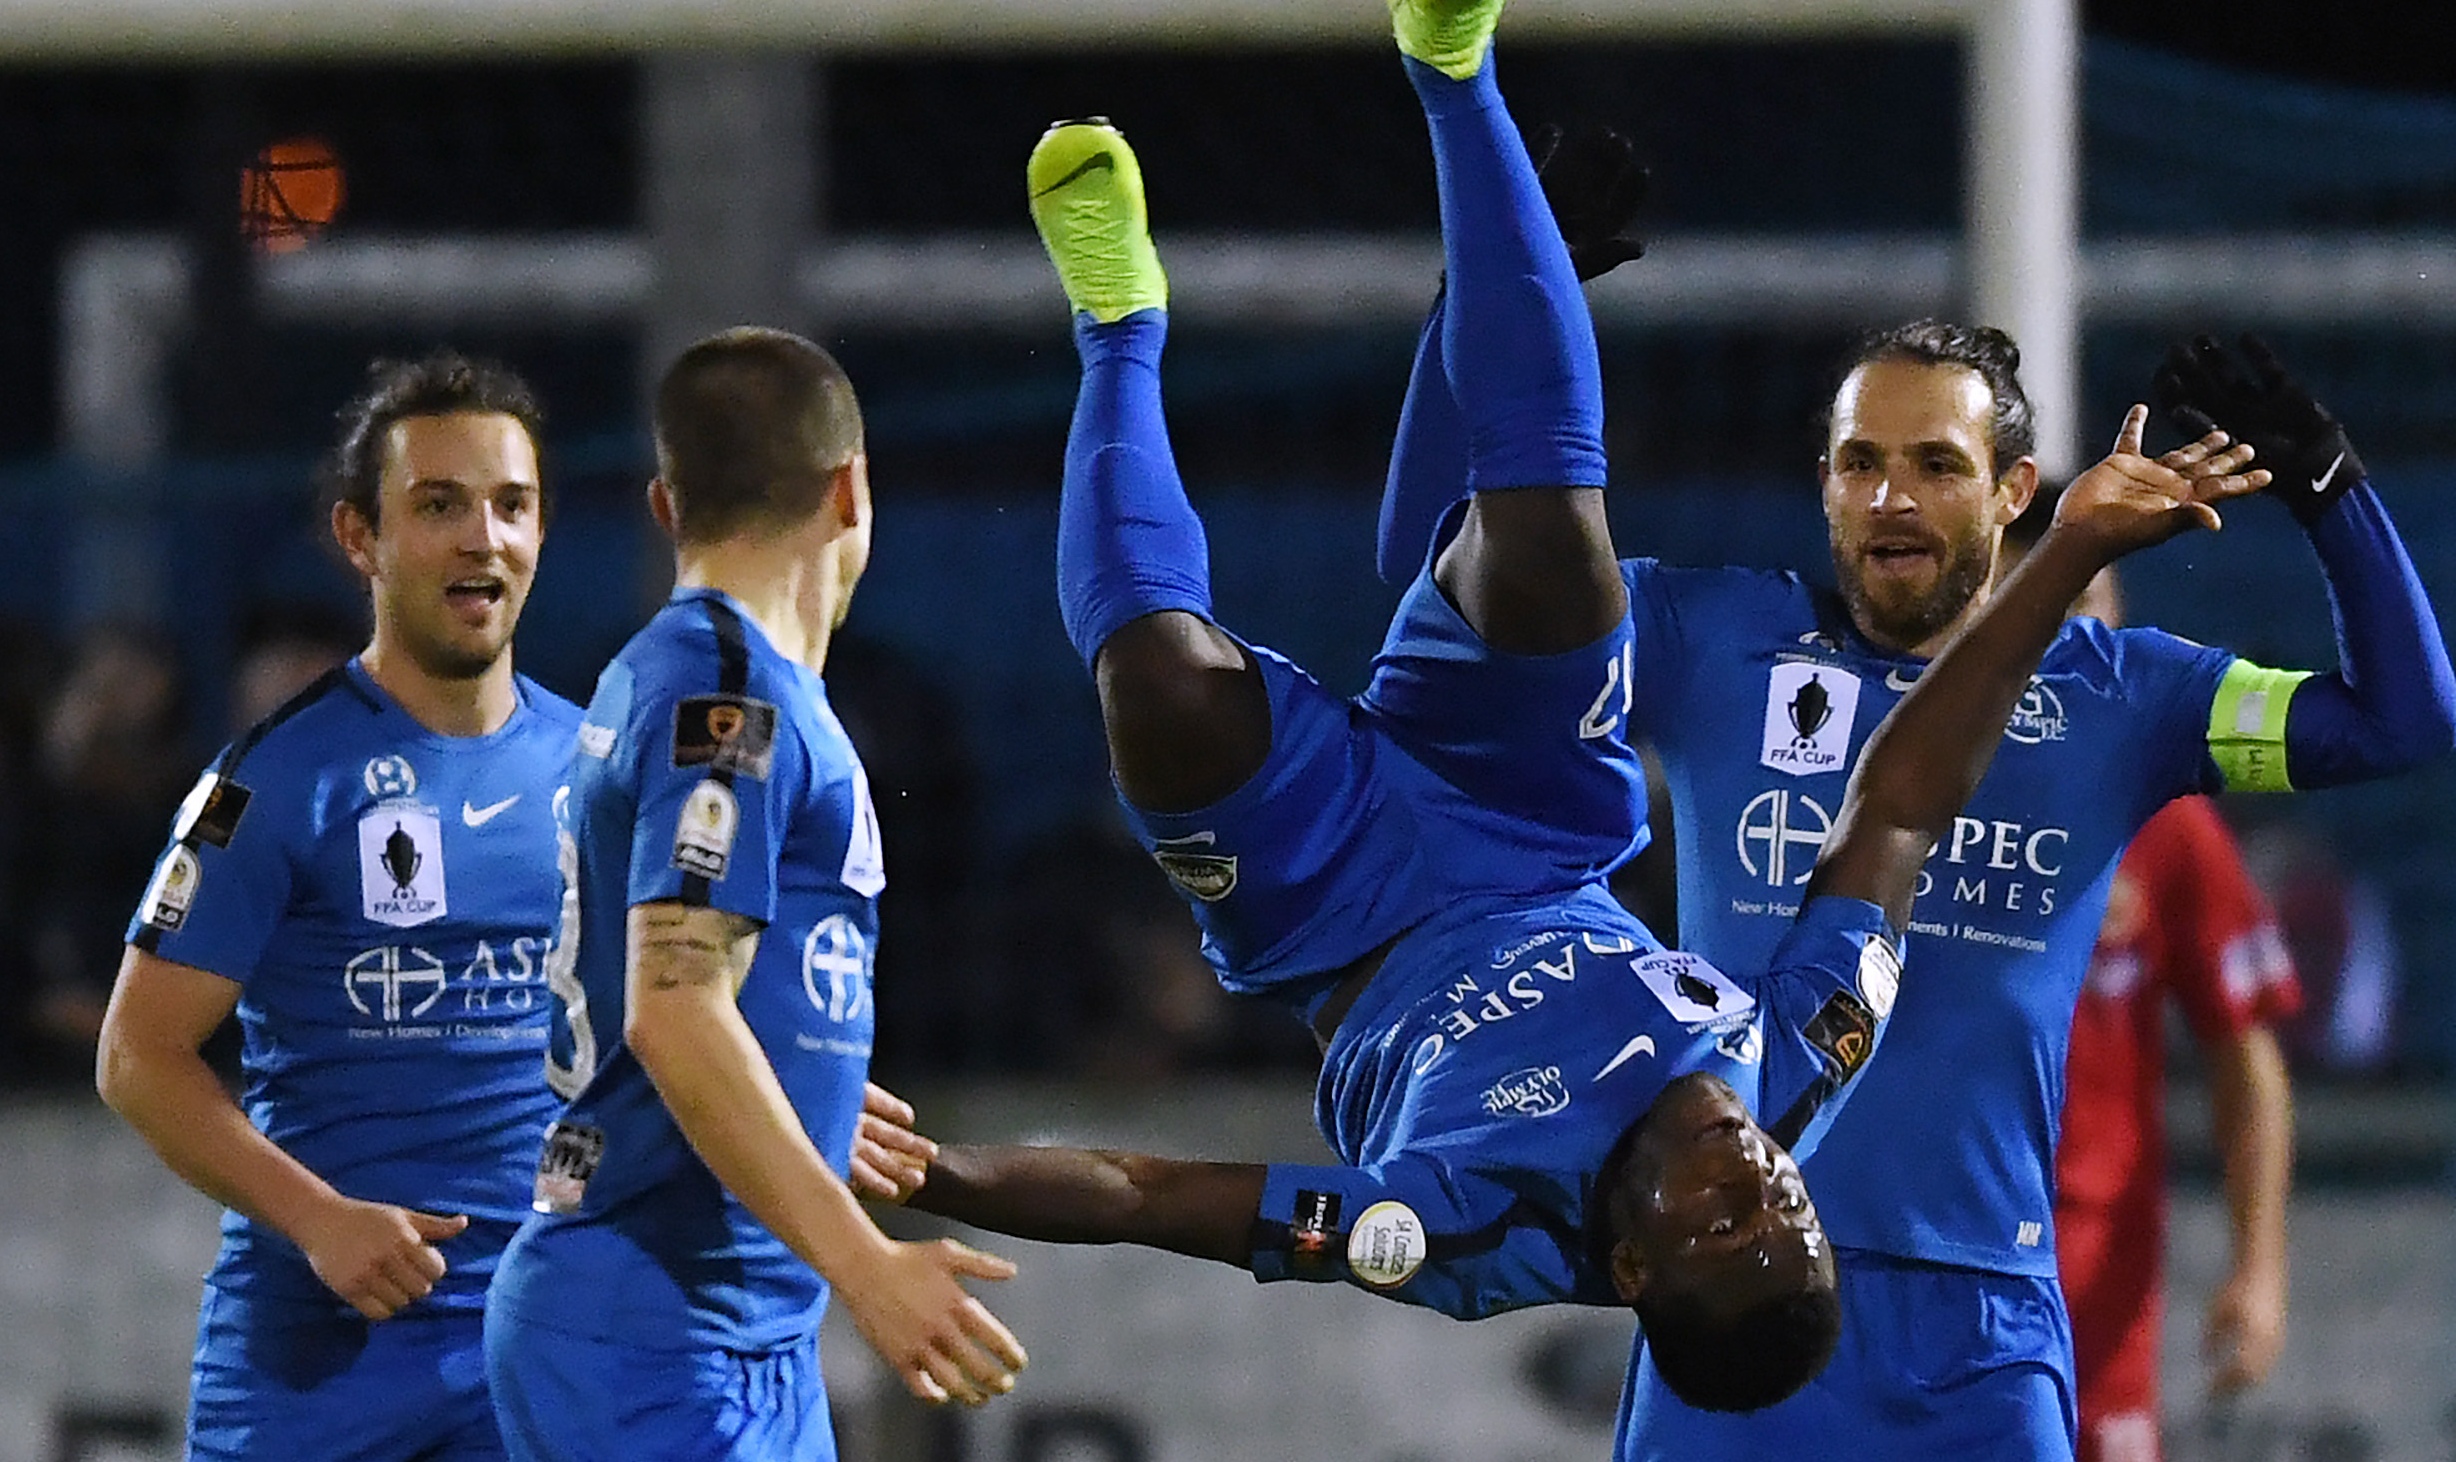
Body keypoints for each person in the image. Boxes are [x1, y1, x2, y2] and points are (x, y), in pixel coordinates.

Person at [892, 0, 2264, 1416]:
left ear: (1628, 1263)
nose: (1757, 1183)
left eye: (1722, 1226)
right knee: (1557, 550)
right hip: (1533, 815)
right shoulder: (1805, 1058)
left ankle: (1118, 330)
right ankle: (1453, 65)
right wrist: (2062, 566)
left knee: (1159, 684)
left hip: (1325, 907)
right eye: (1787, 1207)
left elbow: (1147, 1191)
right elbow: (1900, 809)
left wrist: (931, 1172)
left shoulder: (1456, 1232)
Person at [1381, 210, 2456, 1447]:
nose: (1890, 496)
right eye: (1859, 462)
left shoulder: (2123, 697)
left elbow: (2403, 719)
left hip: (1981, 1335)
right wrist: (1492, 301)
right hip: (1733, 1294)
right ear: (1824, 483)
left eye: (1937, 466)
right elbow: (1441, 586)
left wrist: (2325, 483)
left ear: (2011, 493)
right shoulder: (1705, 640)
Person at [481, 327, 1029, 1462]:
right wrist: (868, 1264)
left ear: (663, 505)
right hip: (656, 1331)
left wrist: (797, 1082)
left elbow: (678, 976)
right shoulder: (725, 701)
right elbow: (675, 1006)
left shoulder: (694, 677)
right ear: (850, 487)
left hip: (718, 1333)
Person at [95, 351, 579, 1460]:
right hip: (315, 1364)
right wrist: (318, 1219)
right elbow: (137, 1055)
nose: (484, 537)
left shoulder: (597, 766)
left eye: (512, 505)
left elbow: (652, 1026)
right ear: (360, 538)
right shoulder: (274, 781)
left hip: (531, 1353)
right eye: (440, 505)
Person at [2009, 536, 2303, 1462]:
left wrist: (2260, 1268)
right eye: (2033, 597)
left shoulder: (2168, 820)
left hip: (2096, 1301)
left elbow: (2244, 1051)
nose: (2062, 630)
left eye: (2082, 600)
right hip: (1930, 1269)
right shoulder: (1908, 796)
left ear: (2120, 617)